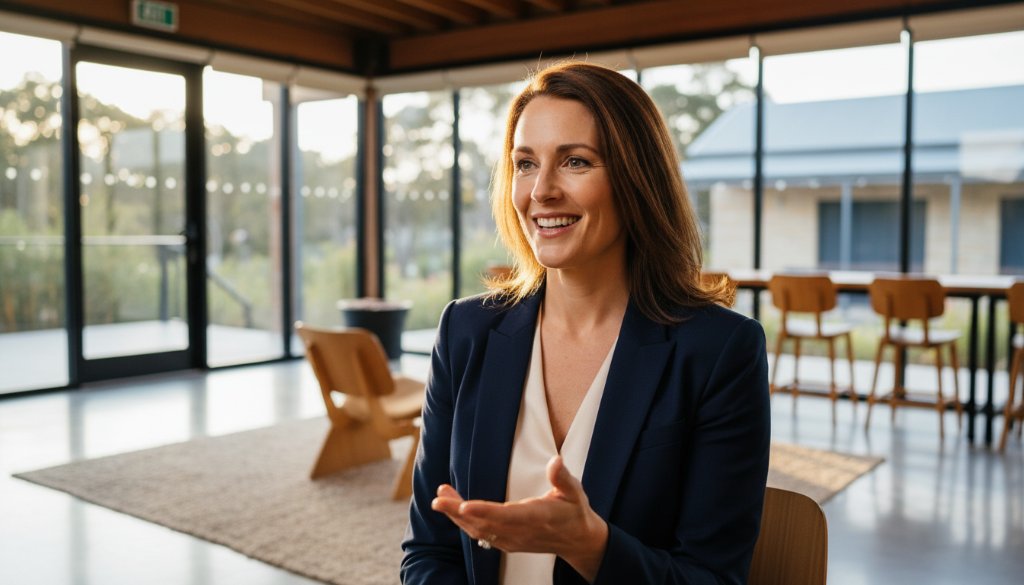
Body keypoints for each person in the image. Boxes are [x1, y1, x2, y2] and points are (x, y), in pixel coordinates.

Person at [401, 61, 770, 585]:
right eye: (525, 164)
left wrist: (590, 545)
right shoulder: (465, 332)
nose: (541, 190)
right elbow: (428, 552)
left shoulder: (719, 351)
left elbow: (710, 578)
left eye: (575, 161)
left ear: (636, 178)